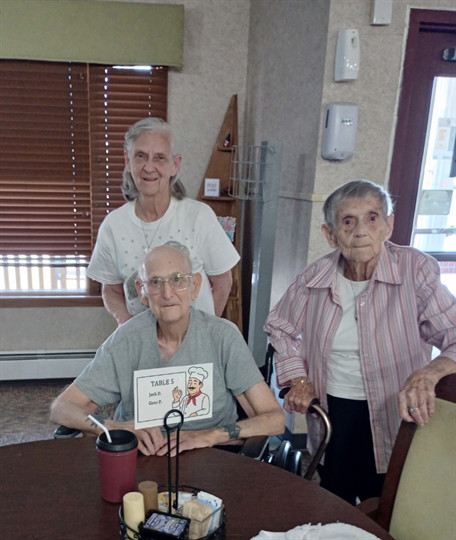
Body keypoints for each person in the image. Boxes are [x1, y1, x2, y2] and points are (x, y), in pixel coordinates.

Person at [264, 180, 456, 504]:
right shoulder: (314, 278)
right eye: (348, 221)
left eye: (372, 218)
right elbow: (280, 328)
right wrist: (299, 379)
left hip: (395, 410)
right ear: (330, 234)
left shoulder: (415, 271)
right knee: (333, 499)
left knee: (387, 500)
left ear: (388, 226)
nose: (361, 231)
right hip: (333, 409)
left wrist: (428, 374)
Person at [51, 244, 285, 456]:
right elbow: (62, 407)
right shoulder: (127, 340)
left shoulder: (222, 336)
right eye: (155, 282)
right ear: (142, 291)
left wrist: (208, 435)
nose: (167, 293)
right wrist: (117, 427)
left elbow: (275, 419)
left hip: (210, 453)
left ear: (195, 286)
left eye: (177, 279)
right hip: (142, 455)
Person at [86, 117, 240, 325]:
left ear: (175, 165)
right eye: (141, 156)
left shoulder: (199, 217)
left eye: (159, 158)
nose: (149, 167)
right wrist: (128, 327)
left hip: (194, 342)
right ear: (128, 161)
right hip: (141, 343)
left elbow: (223, 283)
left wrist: (203, 333)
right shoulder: (113, 226)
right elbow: (111, 290)